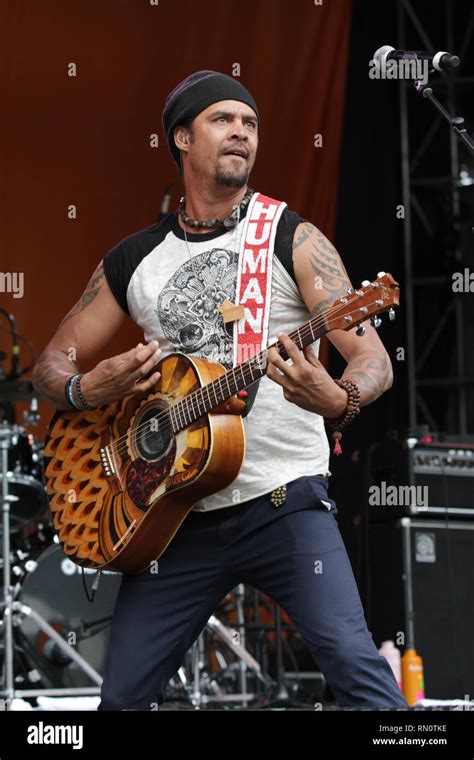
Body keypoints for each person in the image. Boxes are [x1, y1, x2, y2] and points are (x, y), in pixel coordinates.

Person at [33, 70, 408, 711]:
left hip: (283, 499)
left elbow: (372, 355)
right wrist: (84, 386)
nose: (241, 132)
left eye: (251, 123)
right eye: (223, 120)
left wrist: (340, 397)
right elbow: (50, 361)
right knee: (120, 701)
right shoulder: (134, 259)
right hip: (175, 515)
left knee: (356, 670)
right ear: (182, 138)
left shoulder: (293, 236)